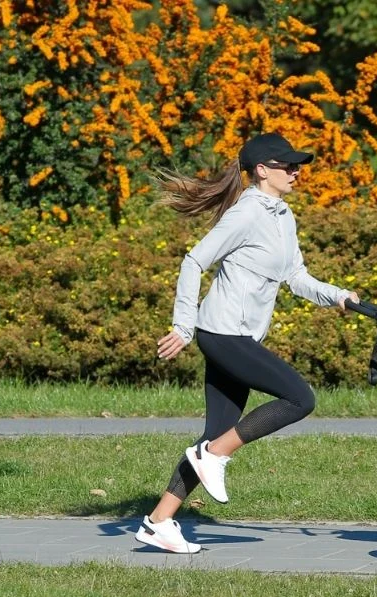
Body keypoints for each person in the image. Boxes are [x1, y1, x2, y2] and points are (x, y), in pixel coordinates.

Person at [135, 133, 359, 554]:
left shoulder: (283, 215)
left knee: (214, 433)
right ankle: (215, 454)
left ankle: (158, 521)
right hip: (223, 332)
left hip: (239, 335)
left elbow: (296, 277)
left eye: (297, 165)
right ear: (262, 170)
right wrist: (183, 326)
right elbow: (194, 260)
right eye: (287, 165)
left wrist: (338, 296)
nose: (296, 171)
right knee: (300, 398)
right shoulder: (247, 212)